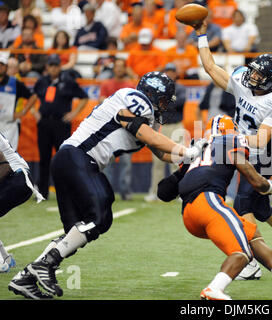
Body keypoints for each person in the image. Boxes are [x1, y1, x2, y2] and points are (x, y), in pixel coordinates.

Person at [8, 71, 208, 299]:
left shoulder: (141, 113)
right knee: (101, 214)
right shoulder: (135, 99)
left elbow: (161, 152)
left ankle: (26, 276)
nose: (164, 106)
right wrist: (185, 150)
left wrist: (190, 154)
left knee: (75, 233)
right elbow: (146, 135)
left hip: (70, 161)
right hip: (79, 158)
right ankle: (45, 266)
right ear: (152, 94)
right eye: (163, 100)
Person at [192, 20, 272, 279]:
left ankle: (249, 262)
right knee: (261, 210)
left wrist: (228, 136)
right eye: (254, 70)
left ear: (270, 80)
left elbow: (260, 141)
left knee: (241, 207)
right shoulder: (241, 79)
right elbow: (211, 67)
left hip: (263, 157)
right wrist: (201, 35)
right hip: (241, 149)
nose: (253, 75)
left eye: (259, 74)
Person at [156, 115, 272, 300]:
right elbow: (253, 178)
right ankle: (215, 288)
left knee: (251, 237)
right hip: (208, 203)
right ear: (230, 131)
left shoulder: (197, 148)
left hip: (189, 215)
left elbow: (163, 193)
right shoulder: (230, 140)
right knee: (242, 253)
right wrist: (269, 187)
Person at [32, 54, 89, 200]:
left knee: (62, 158)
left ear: (59, 66)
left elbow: (84, 97)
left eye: (55, 65)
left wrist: (74, 113)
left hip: (60, 123)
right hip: (44, 123)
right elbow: (31, 97)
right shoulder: (42, 81)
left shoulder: (68, 81)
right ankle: (42, 192)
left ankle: (64, 191)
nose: (53, 68)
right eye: (50, 65)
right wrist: (34, 112)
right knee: (44, 158)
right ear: (47, 67)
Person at [0, 133, 44, 278]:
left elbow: (5, 167)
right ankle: (5, 257)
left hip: (17, 178)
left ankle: (1, 263)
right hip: (16, 180)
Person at [145, 63, 186, 202]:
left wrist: (163, 101)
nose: (169, 74)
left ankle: (180, 191)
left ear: (175, 73)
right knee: (157, 161)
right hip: (161, 126)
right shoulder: (160, 88)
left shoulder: (180, 88)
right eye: (167, 71)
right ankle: (155, 191)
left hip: (176, 125)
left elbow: (178, 103)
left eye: (171, 71)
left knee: (178, 159)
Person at [100, 59, 135, 201]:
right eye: (117, 67)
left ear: (125, 69)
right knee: (107, 162)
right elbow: (101, 102)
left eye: (122, 67)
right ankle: (107, 191)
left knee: (126, 163)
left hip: (125, 130)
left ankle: (125, 191)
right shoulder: (106, 84)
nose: (119, 69)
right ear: (113, 69)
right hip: (109, 129)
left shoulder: (130, 85)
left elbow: (132, 107)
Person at [0, 52, 38, 151]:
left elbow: (33, 96)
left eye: (2, 65)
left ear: (6, 67)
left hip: (9, 125)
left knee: (9, 157)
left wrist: (23, 112)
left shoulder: (15, 83)